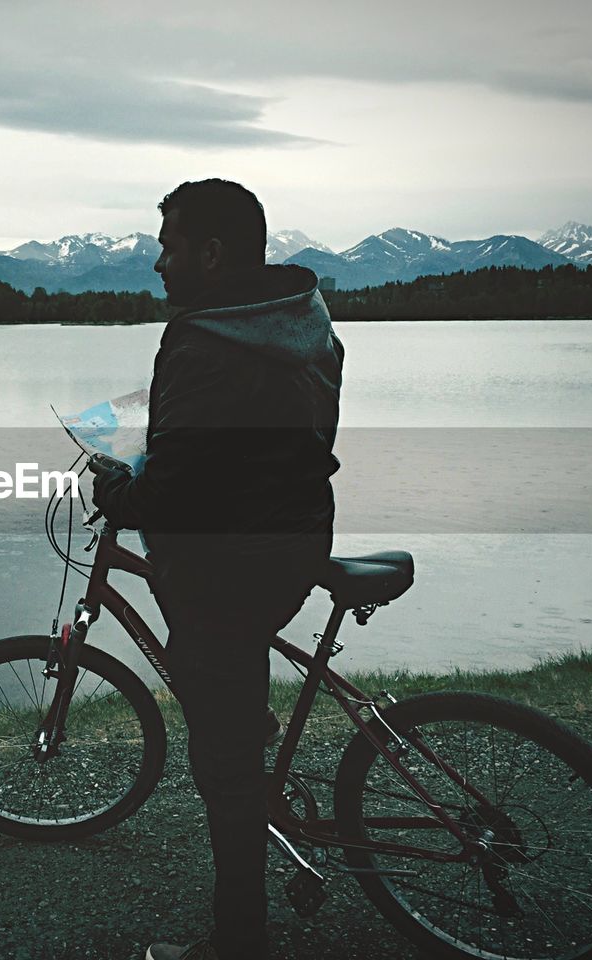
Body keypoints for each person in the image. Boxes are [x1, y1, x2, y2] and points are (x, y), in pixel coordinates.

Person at [89, 179, 344, 960]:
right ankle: (247, 723)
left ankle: (241, 944)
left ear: (210, 252)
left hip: (223, 571)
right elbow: (284, 446)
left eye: (168, 247)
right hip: (292, 548)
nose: (158, 265)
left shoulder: (200, 340)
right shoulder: (306, 323)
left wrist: (121, 489)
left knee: (227, 769)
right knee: (237, 708)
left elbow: (180, 481)